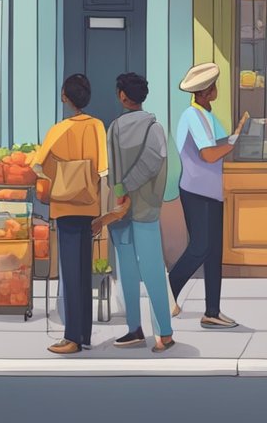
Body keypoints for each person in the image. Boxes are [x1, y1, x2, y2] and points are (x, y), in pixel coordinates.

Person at [169, 63, 247, 330]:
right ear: (203, 91)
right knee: (201, 246)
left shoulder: (207, 115)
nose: (216, 90)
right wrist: (233, 141)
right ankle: (170, 287)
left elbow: (216, 144)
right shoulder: (192, 116)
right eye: (212, 86)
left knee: (214, 253)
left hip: (211, 190)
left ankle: (212, 311)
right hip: (196, 190)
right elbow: (209, 154)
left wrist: (233, 135)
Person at [33, 74, 106, 355]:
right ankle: (84, 335)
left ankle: (72, 337)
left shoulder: (58, 130)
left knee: (71, 272)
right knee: (84, 271)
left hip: (64, 206)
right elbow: (103, 169)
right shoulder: (97, 126)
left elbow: (39, 166)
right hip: (88, 205)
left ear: (65, 96)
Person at [104, 72, 175, 352]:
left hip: (120, 209)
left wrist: (122, 190)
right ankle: (164, 333)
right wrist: (133, 187)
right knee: (154, 268)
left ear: (122, 96)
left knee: (127, 270)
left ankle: (134, 329)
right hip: (147, 209)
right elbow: (154, 162)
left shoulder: (115, 128)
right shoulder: (155, 128)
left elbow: (113, 173)